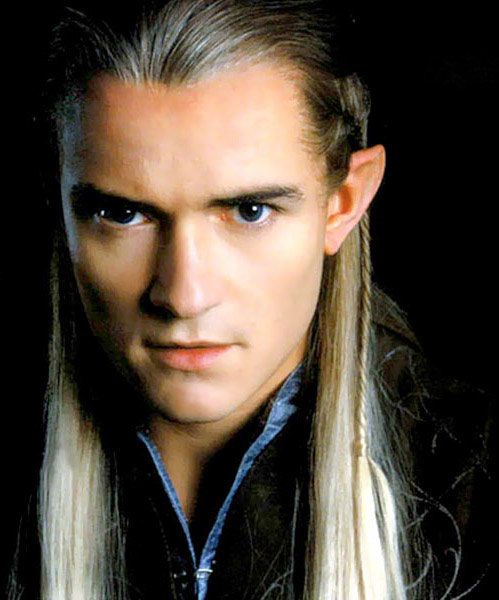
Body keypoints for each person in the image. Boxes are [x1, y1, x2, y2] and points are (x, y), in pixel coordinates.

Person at [4, 1, 496, 599]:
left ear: (343, 203)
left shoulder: (474, 487)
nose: (184, 296)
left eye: (249, 210)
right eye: (122, 214)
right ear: (57, 201)